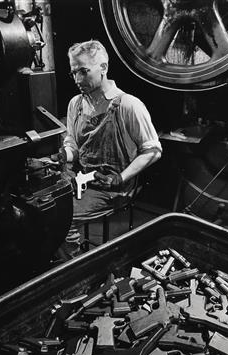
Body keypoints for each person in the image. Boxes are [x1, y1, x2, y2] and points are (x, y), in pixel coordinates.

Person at [53, 40, 162, 259]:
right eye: (73, 73)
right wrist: (64, 154)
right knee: (45, 206)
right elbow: (74, 144)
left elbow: (153, 151)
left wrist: (120, 178)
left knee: (61, 219)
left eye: (84, 72)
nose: (77, 80)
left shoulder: (128, 105)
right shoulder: (76, 103)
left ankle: (75, 274)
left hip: (114, 189)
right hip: (84, 180)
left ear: (103, 68)